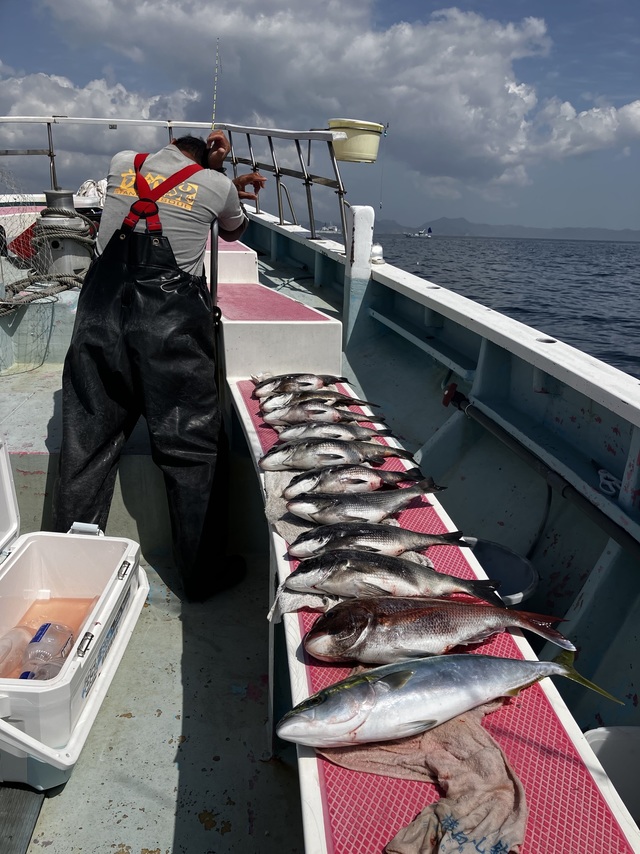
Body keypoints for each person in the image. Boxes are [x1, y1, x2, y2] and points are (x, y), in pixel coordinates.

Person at [52, 130, 265, 601]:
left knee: (86, 439)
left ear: (170, 146)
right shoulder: (217, 185)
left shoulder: (123, 160)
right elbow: (232, 230)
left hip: (100, 317)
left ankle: (69, 567)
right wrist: (222, 174)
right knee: (190, 447)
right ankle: (200, 576)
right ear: (206, 156)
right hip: (170, 329)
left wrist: (208, 164)